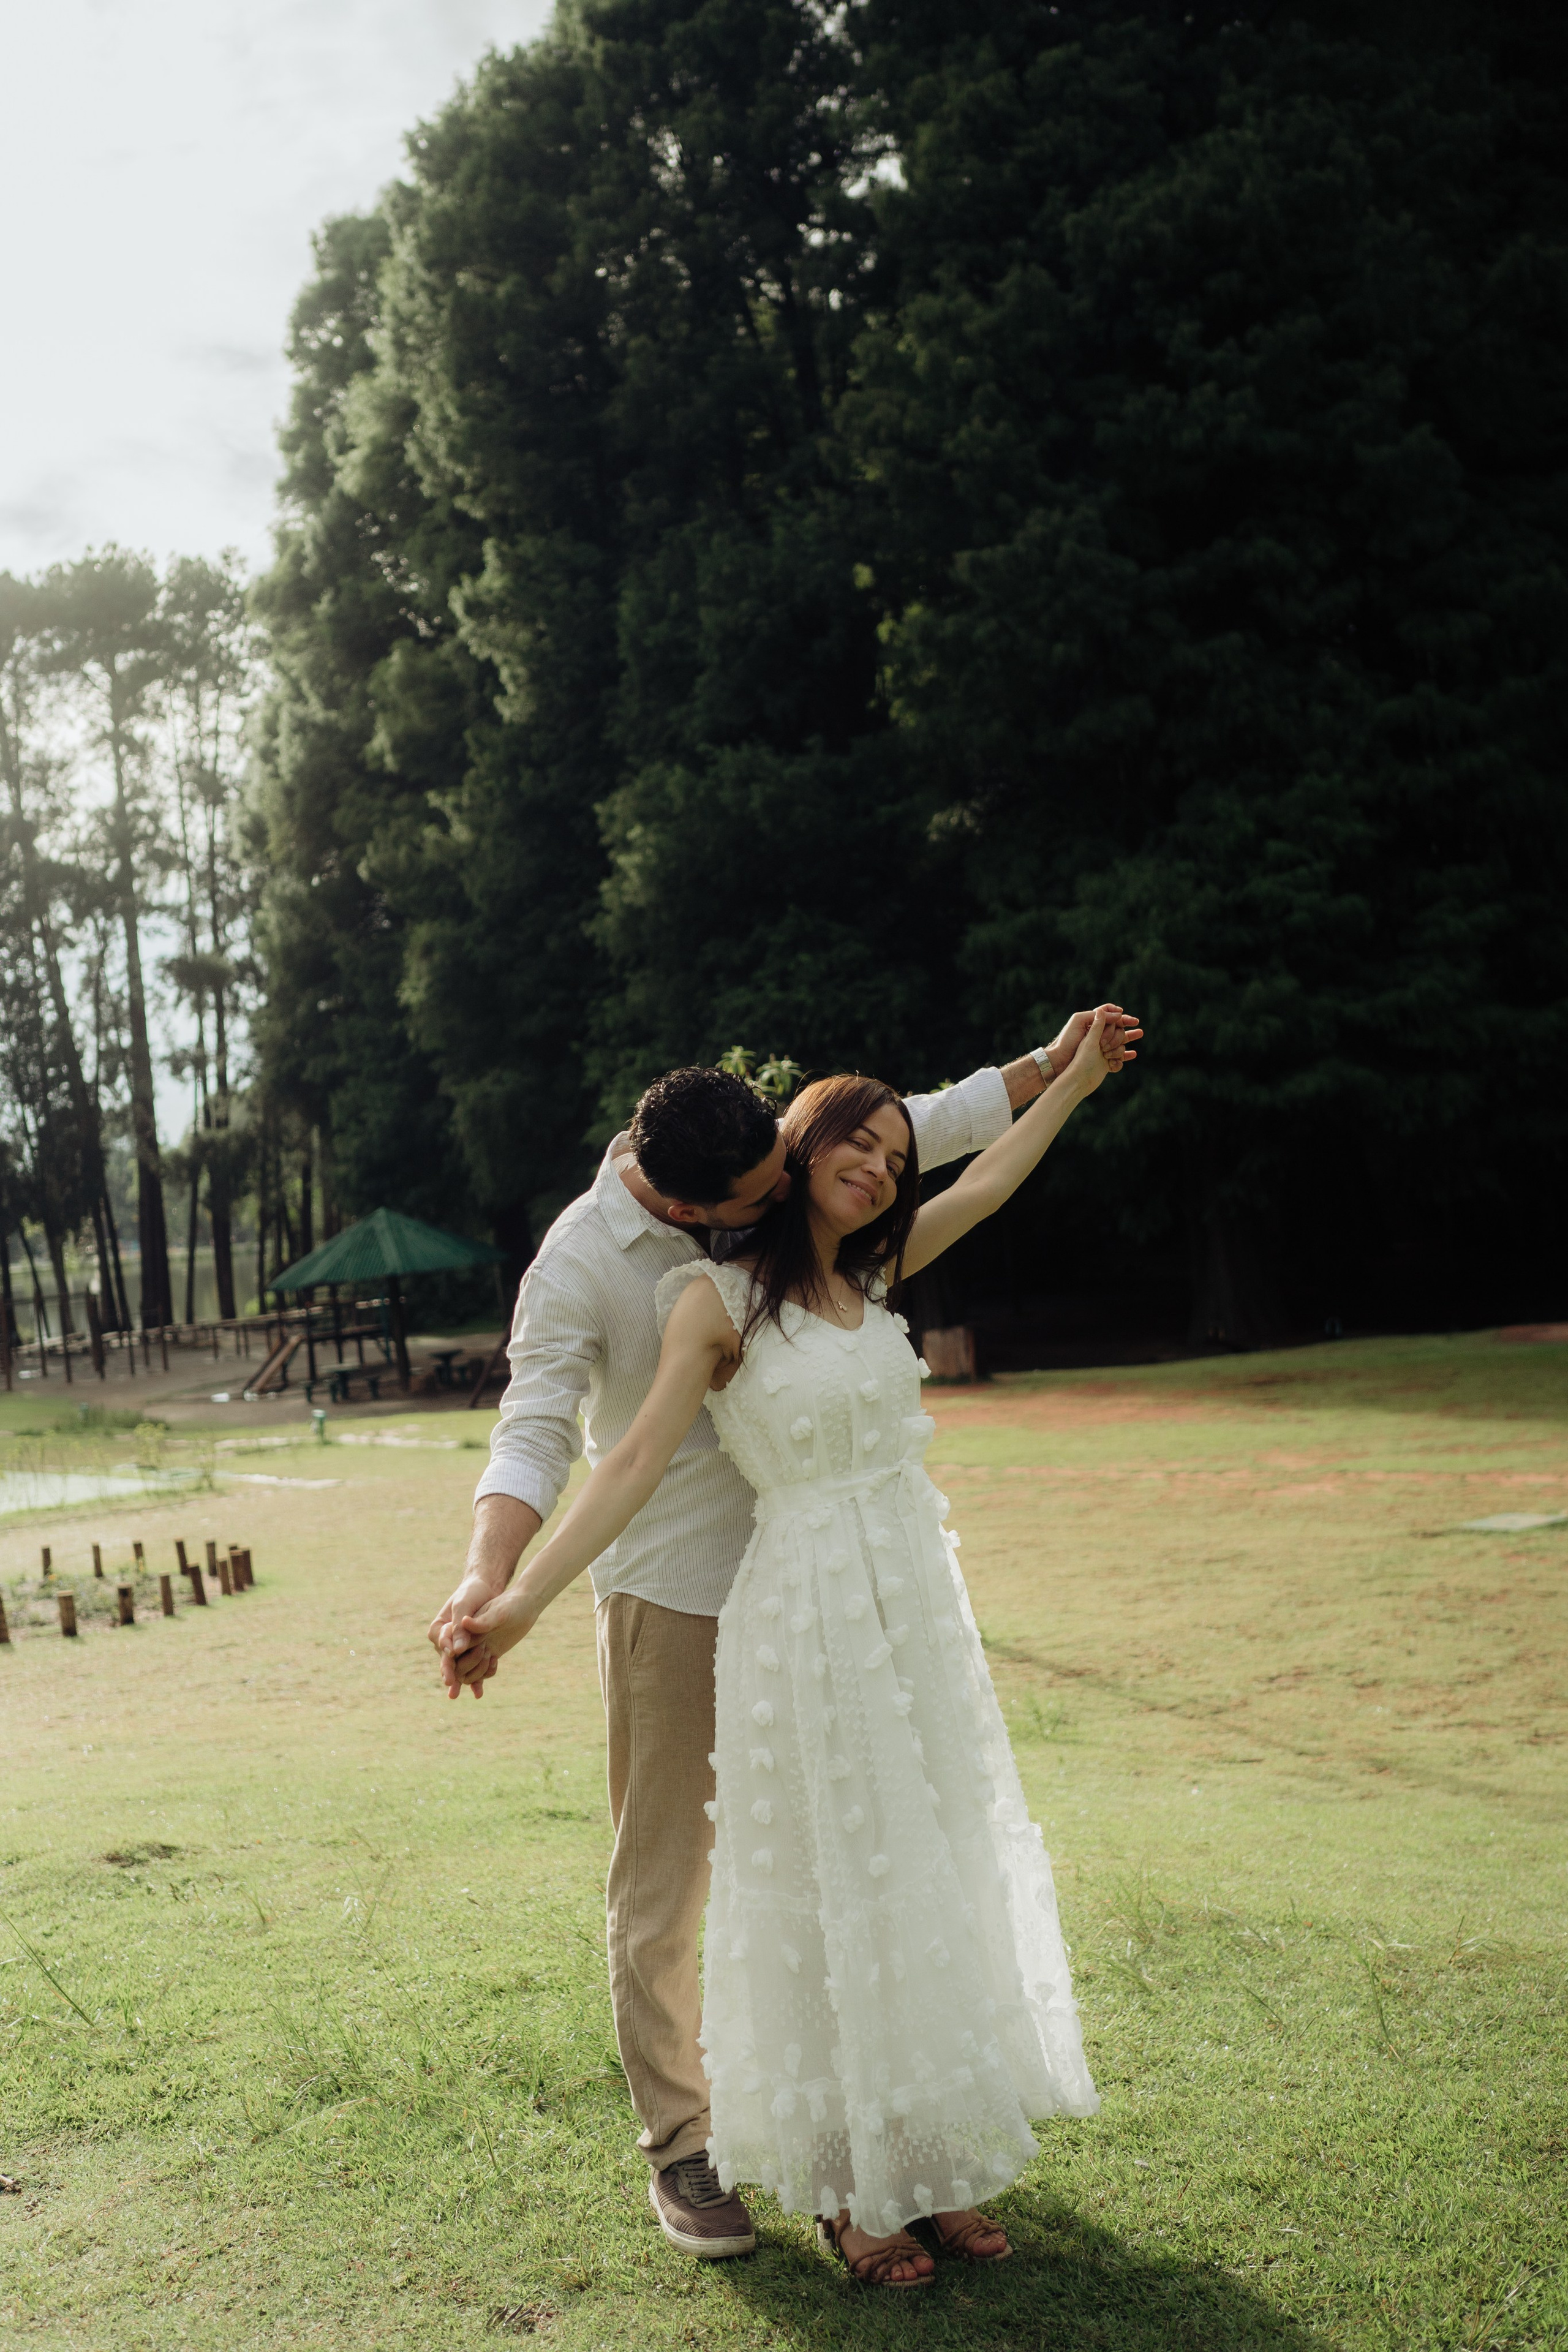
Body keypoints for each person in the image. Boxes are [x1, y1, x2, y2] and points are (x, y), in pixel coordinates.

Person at [427, 1014, 1139, 2263]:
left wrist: (1059, 1071)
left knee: (889, 1865)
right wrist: (503, 1589)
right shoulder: (614, 1272)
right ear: (699, 1204)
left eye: (800, 1169)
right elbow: (568, 1441)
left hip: (869, 1603)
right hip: (688, 1592)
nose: (840, 1177)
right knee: (689, 1888)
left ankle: (914, 2147)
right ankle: (703, 2150)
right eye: (762, 1191)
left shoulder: (843, 1242)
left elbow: (930, 1148)